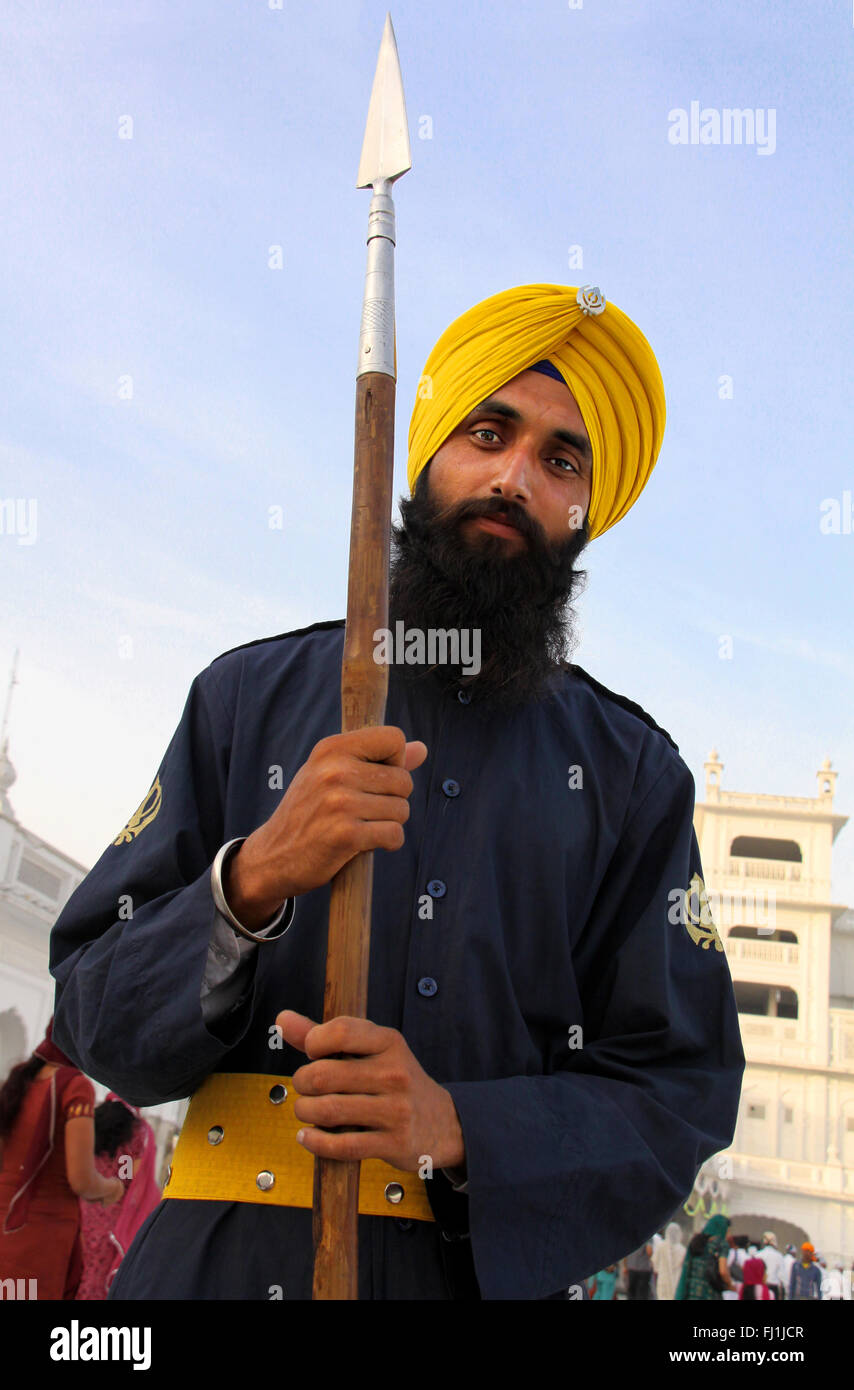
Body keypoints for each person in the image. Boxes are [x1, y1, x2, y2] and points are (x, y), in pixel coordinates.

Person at [49, 282, 745, 1301]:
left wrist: (456, 1126)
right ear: (421, 456)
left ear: (587, 508)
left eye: (560, 459)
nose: (512, 476)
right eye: (486, 431)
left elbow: (677, 1089)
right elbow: (92, 1012)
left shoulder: (631, 776)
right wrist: (248, 883)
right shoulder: (243, 698)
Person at [0, 1019, 123, 1299]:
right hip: (38, 1241)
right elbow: (81, 1180)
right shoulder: (74, 1086)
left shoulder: (21, 1083)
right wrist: (113, 1188)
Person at [76, 1095, 162, 1300]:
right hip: (113, 1217)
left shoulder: (92, 1120)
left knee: (76, 1269)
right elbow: (131, 1180)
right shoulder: (139, 1132)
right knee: (98, 1276)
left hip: (83, 1209)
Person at [675, 1214, 736, 1300]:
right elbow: (723, 1271)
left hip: (691, 1292)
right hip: (710, 1293)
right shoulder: (721, 1244)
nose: (728, 1235)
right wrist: (730, 1285)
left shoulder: (696, 1241)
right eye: (727, 1231)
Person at [651, 1222, 686, 1301]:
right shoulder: (683, 1250)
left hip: (663, 1281)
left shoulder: (661, 1246)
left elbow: (654, 1264)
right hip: (677, 1282)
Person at [757, 1230, 786, 1302]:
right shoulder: (779, 1256)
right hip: (773, 1288)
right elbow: (782, 1277)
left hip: (760, 1288)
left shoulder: (758, 1255)